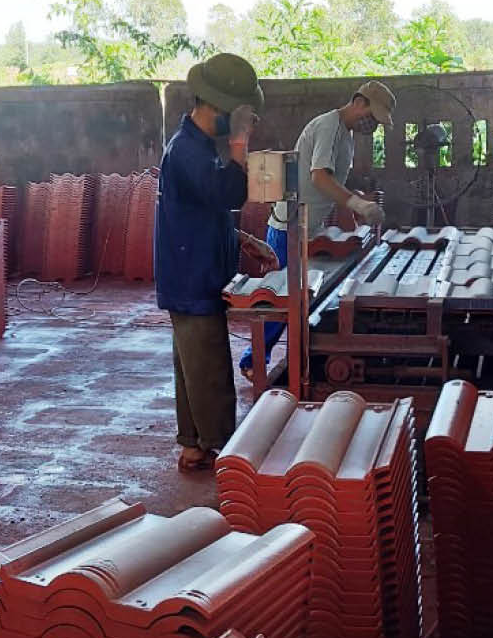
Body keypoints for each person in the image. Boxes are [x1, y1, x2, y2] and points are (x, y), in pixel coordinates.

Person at [155, 53, 275, 473]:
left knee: (193, 366)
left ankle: (194, 445)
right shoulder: (188, 150)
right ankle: (226, 454)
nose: (242, 123)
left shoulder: (197, 147)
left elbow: (204, 211)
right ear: (219, 108)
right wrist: (240, 144)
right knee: (209, 369)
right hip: (192, 276)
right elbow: (227, 193)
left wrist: (244, 239)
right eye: (240, 115)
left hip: (193, 270)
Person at [239, 81, 395, 382]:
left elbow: (333, 185)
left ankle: (298, 358)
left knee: (301, 298)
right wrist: (358, 204)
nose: (372, 124)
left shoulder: (346, 135)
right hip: (289, 227)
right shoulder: (329, 126)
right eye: (372, 116)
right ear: (358, 102)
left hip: (309, 226)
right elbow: (320, 177)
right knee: (282, 299)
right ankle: (253, 360)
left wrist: (354, 217)